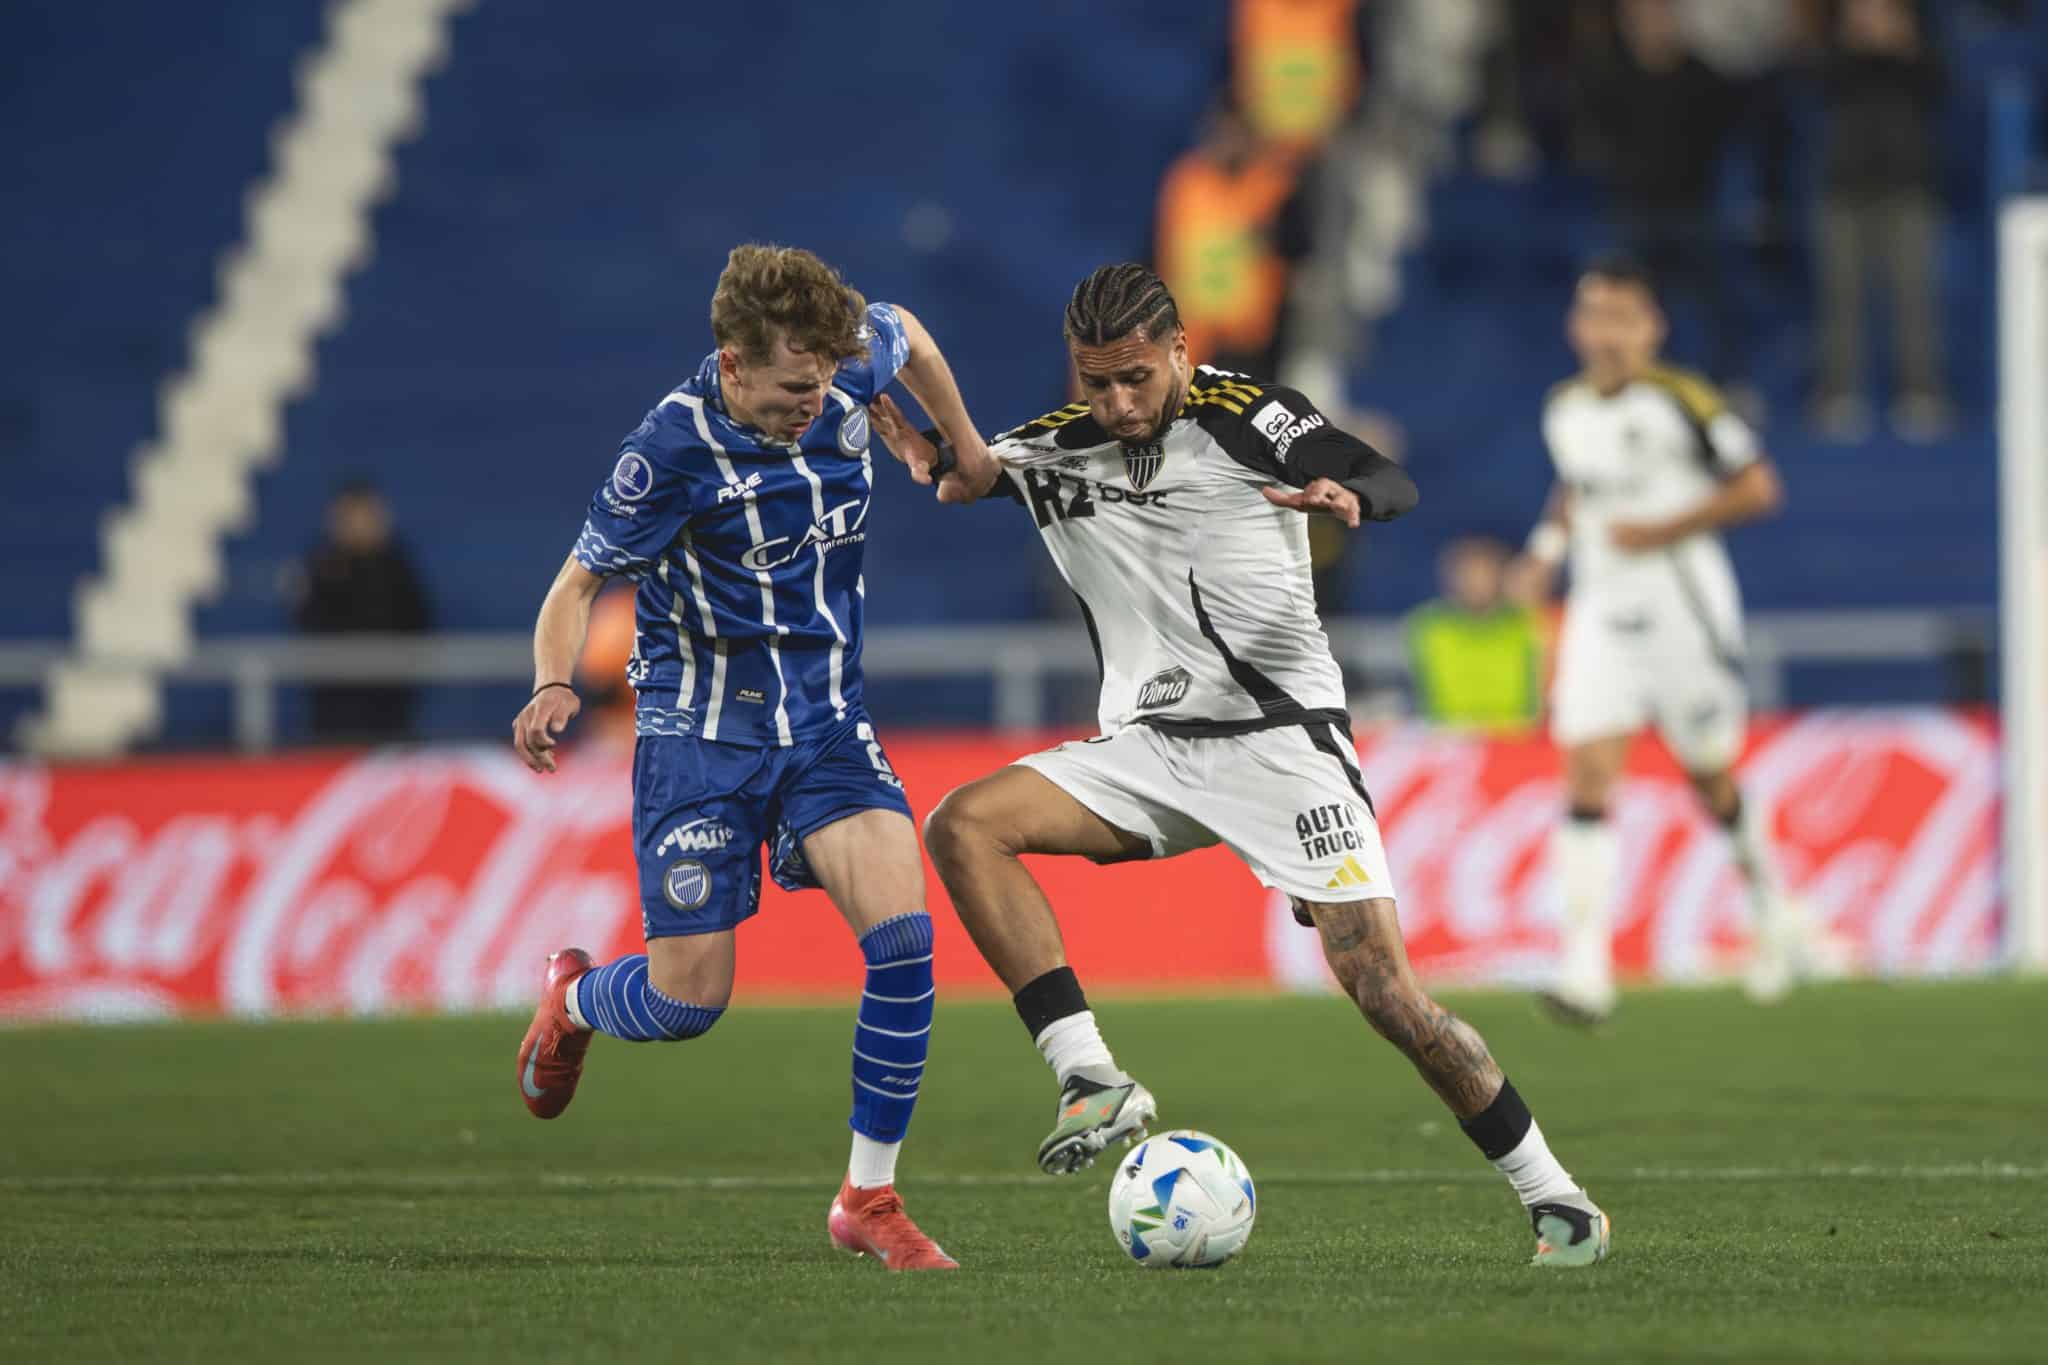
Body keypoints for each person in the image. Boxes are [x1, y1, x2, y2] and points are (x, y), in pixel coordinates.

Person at [870, 262, 1612, 1268]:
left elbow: (1386, 479)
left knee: (1387, 998)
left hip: (1280, 746)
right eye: (1096, 382)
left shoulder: (1242, 414)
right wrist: (923, 447)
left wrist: (1342, 493)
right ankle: (1088, 1073)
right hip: (1147, 751)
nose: (1118, 403)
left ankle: (1555, 1198)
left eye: (1135, 377)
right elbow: (971, 474)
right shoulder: (1054, 449)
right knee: (962, 824)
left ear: (1179, 350)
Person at [509, 244, 993, 1272]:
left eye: (820, 386)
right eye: (786, 391)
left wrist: (955, 444)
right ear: (731, 367)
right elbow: (570, 591)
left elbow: (910, 331)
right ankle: (577, 999)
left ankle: (868, 1198)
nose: (808, 407)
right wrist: (554, 683)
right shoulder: (668, 451)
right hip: (700, 741)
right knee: (689, 1003)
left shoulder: (846, 365)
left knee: (905, 944)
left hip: (823, 724)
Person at [1515, 254, 1832, 1021]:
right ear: (1575, 326)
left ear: (1652, 327)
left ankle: (1772, 907)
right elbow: (1573, 491)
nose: (1609, 334)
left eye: (1624, 318)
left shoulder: (1682, 400)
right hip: (1601, 614)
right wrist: (1544, 554)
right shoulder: (1564, 408)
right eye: (1596, 317)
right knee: (1588, 769)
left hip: (1683, 611)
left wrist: (1663, 528)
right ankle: (1585, 968)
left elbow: (1759, 486)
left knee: (1708, 773)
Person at [1810, 0, 1950, 441]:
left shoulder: (1919, 45)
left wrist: (1903, 47)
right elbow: (1818, 86)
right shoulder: (1836, 50)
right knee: (1842, 295)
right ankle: (1839, 393)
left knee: (1914, 295)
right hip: (1845, 186)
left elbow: (1941, 89)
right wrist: (1853, 45)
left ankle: (1921, 392)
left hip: (1907, 185)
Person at [294, 480, 432, 743]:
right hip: (334, 710)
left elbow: (418, 624)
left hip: (390, 709)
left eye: (364, 515)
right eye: (350, 516)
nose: (358, 524)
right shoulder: (321, 568)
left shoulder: (398, 569)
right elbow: (308, 626)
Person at [1405, 535, 1546, 732]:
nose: (1477, 583)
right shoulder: (1428, 626)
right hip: (1449, 738)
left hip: (1515, 739)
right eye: (1468, 574)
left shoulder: (1527, 624)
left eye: (1486, 573)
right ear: (1451, 578)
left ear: (1502, 577)